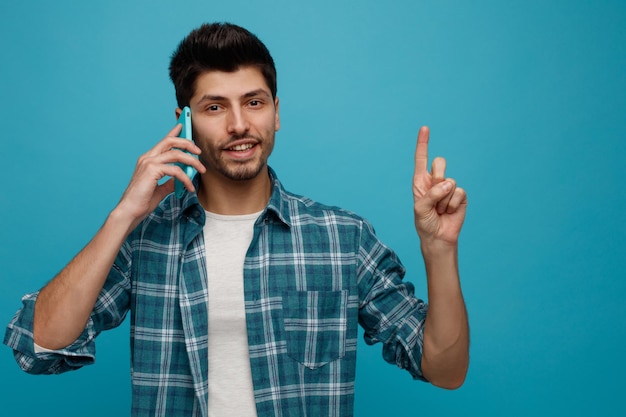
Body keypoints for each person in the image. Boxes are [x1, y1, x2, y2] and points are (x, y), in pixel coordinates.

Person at [4, 22, 469, 417]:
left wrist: (439, 249)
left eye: (254, 102)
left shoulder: (342, 238)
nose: (239, 125)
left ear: (276, 112)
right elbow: (37, 345)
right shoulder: (145, 239)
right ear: (183, 122)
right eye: (214, 107)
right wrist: (123, 214)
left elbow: (445, 371)